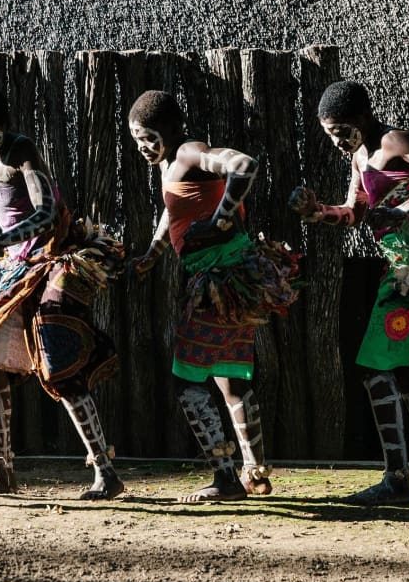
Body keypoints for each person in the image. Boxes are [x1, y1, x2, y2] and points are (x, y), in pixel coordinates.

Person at [290, 80, 409, 505]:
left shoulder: (395, 142)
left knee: (375, 368)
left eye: (341, 131)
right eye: (330, 135)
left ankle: (398, 478)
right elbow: (355, 214)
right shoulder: (361, 157)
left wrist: (405, 209)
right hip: (402, 267)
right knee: (407, 373)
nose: (338, 142)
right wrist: (317, 212)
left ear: (362, 118)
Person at [0, 85, 126, 500]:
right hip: (14, 269)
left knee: (60, 363)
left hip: (51, 261)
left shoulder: (22, 151)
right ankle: (2, 471)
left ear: (5, 129)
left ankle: (105, 472)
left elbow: (44, 214)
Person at [127, 90, 299, 503]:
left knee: (187, 380)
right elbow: (176, 209)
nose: (143, 147)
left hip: (220, 279)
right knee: (230, 379)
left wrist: (221, 219)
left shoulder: (188, 152)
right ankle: (254, 474)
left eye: (149, 137)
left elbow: (243, 164)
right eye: (136, 140)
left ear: (170, 131)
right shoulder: (171, 164)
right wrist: (154, 251)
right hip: (225, 277)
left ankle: (225, 478)